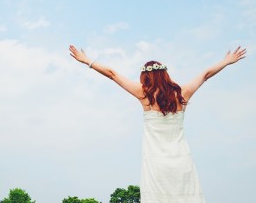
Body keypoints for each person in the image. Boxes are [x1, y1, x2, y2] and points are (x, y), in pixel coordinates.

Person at [69, 45, 246, 203]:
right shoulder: (183, 93)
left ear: (145, 77)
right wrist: (226, 62)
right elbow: (205, 75)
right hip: (181, 160)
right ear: (165, 74)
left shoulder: (144, 94)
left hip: (156, 162)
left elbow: (112, 74)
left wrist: (87, 61)